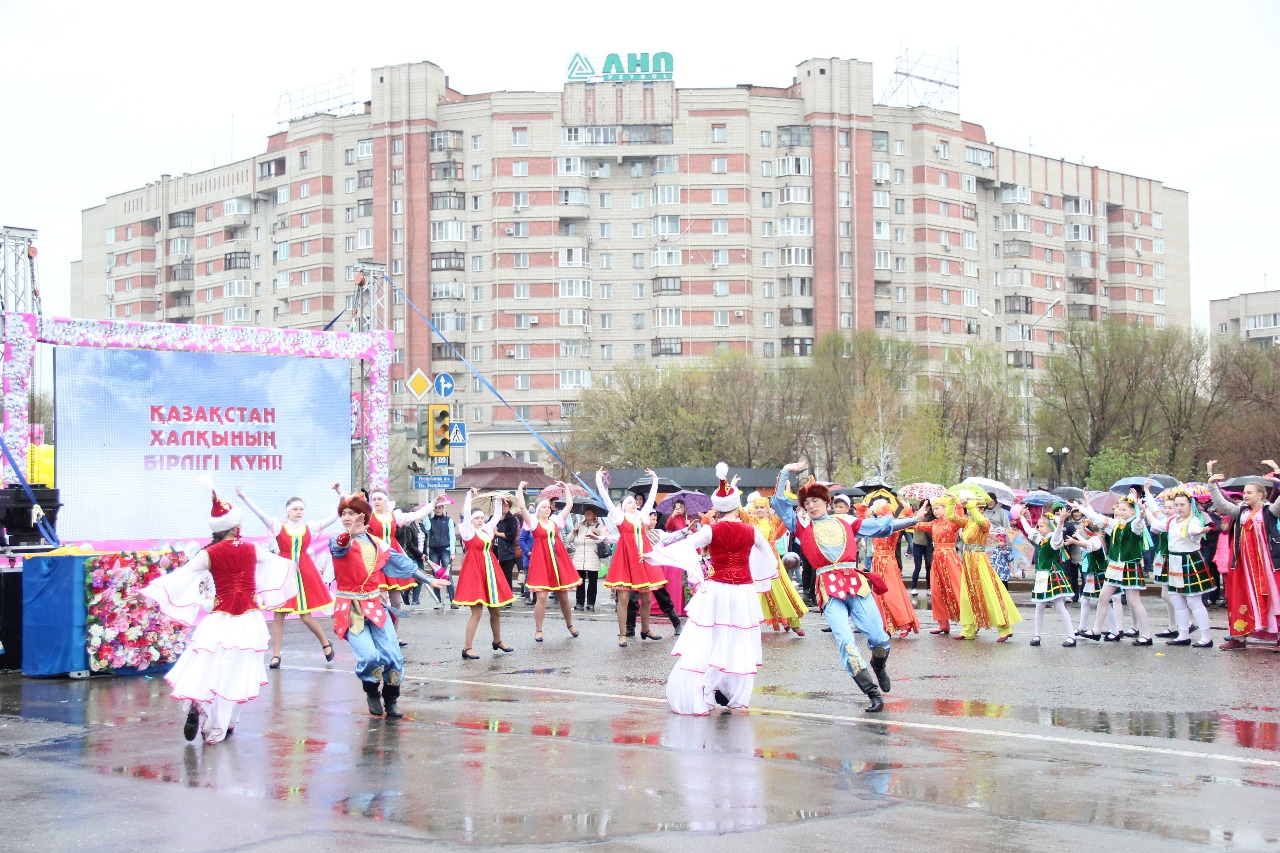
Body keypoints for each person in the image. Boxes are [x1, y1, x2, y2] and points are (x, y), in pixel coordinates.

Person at [139, 478, 297, 744]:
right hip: (248, 619)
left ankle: (202, 707)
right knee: (237, 671)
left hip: (220, 618)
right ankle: (220, 726)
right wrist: (295, 567)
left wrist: (148, 591)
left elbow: (180, 575)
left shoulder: (209, 553)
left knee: (210, 666)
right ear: (235, 526)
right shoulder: (251, 548)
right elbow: (278, 564)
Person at [771, 462, 926, 713]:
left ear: (825, 501)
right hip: (828, 588)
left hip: (855, 583)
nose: (810, 506)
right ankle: (872, 693)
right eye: (806, 503)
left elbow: (880, 527)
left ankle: (879, 665)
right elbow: (777, 502)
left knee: (878, 637)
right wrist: (787, 470)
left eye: (815, 501)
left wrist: (913, 520)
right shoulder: (801, 526)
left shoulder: (846, 522)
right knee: (845, 641)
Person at [645, 464, 779, 715]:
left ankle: (708, 686)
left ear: (716, 508)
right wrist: (758, 577)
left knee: (712, 635)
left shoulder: (711, 530)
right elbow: (769, 557)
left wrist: (656, 556)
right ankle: (729, 690)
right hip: (743, 590)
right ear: (737, 506)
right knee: (737, 638)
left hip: (717, 588)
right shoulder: (750, 530)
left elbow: (687, 545)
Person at [329, 491, 446, 718]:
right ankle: (372, 691)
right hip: (349, 609)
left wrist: (429, 579)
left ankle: (391, 700)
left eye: (351, 513)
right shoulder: (338, 539)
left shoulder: (378, 544)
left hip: (374, 605)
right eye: (343, 513)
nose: (346, 517)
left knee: (394, 658)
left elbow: (404, 564)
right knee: (369, 657)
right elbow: (339, 546)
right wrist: (348, 533)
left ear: (363, 516)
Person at [236, 484, 339, 669]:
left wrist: (340, 494)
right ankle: (276, 655)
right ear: (288, 511)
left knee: (305, 615)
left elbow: (334, 516)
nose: (299, 512)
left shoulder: (309, 527)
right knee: (279, 614)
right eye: (295, 509)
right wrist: (244, 497)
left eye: (301, 509)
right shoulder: (278, 526)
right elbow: (260, 515)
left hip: (303, 571)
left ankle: (325, 643)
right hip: (283, 571)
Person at [1207, 459, 1280, 650]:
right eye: (1245, 492)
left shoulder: (1270, 511)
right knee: (1241, 598)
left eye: (1249, 492)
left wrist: (1277, 473)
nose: (1245, 495)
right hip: (1244, 566)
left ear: (1261, 495)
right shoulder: (1240, 511)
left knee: (1275, 598)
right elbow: (1221, 503)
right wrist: (1211, 482)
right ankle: (1238, 638)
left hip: (1267, 565)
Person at [596, 468, 668, 647]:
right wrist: (598, 480)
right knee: (623, 598)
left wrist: (655, 480)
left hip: (642, 559)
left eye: (634, 501)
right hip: (625, 560)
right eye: (629, 502)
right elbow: (606, 499)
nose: (633, 503)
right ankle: (622, 634)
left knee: (647, 598)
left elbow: (651, 498)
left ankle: (645, 629)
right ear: (623, 506)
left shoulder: (642, 517)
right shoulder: (619, 518)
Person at [1074, 489, 1154, 645]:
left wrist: (1142, 514)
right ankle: (1097, 630)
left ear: (1132, 511)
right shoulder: (1117, 524)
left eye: (1124, 510)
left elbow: (1138, 525)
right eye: (1119, 510)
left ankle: (1146, 634)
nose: (1121, 513)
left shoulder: (1133, 524)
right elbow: (1096, 517)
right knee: (1103, 597)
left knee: (1134, 601)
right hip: (1115, 566)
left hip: (1129, 565)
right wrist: (1082, 506)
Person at [1143, 487, 1215, 647]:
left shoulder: (1193, 520)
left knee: (1194, 601)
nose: (1179, 508)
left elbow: (1193, 531)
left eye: (1182, 504)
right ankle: (1183, 635)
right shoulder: (1172, 520)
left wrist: (1200, 531)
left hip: (1188, 560)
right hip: (1174, 561)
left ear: (1191, 505)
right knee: (1177, 601)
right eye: (1177, 505)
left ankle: (1206, 637)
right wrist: (1145, 509)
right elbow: (1156, 524)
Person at [513, 481, 582, 642]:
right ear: (538, 510)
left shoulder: (556, 521)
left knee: (563, 596)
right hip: (541, 561)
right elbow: (522, 508)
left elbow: (569, 505)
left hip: (557, 561)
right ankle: (538, 630)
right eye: (544, 507)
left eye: (548, 507)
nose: (547, 508)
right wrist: (520, 490)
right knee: (542, 597)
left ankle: (570, 624)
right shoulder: (533, 522)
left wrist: (565, 489)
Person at [948, 498, 1022, 642]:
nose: (972, 511)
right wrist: (951, 502)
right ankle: (968, 629)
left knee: (989, 592)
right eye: (973, 508)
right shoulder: (968, 522)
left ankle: (1004, 628)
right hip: (968, 560)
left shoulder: (985, 523)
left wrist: (972, 506)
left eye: (977, 508)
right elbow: (951, 516)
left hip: (979, 560)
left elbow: (981, 521)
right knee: (967, 595)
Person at [455, 488, 515, 659]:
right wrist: (469, 497)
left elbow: (496, 516)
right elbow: (466, 513)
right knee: (477, 612)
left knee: (495, 610)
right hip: (475, 572)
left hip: (490, 570)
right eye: (477, 518)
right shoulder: (468, 532)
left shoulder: (487, 530)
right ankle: (467, 648)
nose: (480, 520)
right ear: (470, 521)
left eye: (481, 517)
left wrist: (498, 500)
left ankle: (497, 640)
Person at [366, 491, 436, 634]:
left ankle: (395, 634)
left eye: (379, 498)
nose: (377, 501)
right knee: (382, 601)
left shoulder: (394, 516)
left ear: (385, 500)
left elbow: (417, 515)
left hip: (392, 558)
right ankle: (382, 634)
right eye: (374, 499)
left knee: (396, 602)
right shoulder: (368, 517)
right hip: (376, 557)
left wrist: (433, 503)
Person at [1015, 504, 1077, 647]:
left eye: (1041, 526)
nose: (1038, 528)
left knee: (1060, 606)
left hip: (1052, 573)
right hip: (1042, 574)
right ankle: (1037, 635)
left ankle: (1071, 636)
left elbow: (1057, 535)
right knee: (1039, 605)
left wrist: (1060, 522)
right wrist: (1022, 518)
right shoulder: (1041, 539)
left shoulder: (1054, 540)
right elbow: (1029, 531)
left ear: (1050, 528)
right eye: (1038, 525)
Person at [746, 495, 808, 636]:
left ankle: (793, 622)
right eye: (757, 507)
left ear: (768, 509)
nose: (759, 510)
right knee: (756, 592)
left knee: (782, 590)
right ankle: (749, 625)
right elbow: (737, 511)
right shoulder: (750, 521)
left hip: (772, 560)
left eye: (762, 507)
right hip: (755, 561)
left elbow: (785, 515)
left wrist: (784, 492)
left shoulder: (773, 521)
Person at [626, 509, 685, 637]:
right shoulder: (636, 534)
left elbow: (674, 536)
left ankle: (676, 623)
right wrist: (601, 538)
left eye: (655, 517)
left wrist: (687, 529)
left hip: (653, 569)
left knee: (663, 596)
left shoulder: (658, 533)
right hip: (638, 570)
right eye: (652, 517)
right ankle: (630, 628)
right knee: (633, 598)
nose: (655, 520)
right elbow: (617, 538)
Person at [912, 495, 964, 635]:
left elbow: (961, 519)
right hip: (937, 559)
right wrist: (921, 509)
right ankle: (943, 623)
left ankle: (969, 623)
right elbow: (916, 523)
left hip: (950, 558)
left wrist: (957, 504)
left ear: (946, 508)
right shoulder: (934, 523)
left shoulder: (952, 522)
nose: (934, 511)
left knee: (957, 588)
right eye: (933, 508)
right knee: (936, 591)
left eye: (937, 508)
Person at [867, 501, 920, 639]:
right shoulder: (875, 526)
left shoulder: (892, 527)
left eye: (881, 515)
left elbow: (907, 518)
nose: (878, 518)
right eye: (877, 515)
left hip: (888, 562)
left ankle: (904, 623)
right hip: (877, 562)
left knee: (892, 593)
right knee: (878, 594)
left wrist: (907, 508)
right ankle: (885, 625)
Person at [571, 506, 608, 612]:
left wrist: (599, 533)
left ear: (594, 515)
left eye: (589, 513)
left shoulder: (599, 526)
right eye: (586, 513)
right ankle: (579, 602)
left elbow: (605, 539)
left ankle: (591, 603)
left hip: (592, 557)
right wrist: (574, 531)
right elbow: (570, 540)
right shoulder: (579, 526)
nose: (587, 515)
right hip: (579, 557)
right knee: (580, 582)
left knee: (592, 582)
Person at [425, 497, 458, 609]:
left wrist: (452, 552)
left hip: (445, 550)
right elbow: (427, 529)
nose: (438, 510)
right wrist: (426, 515)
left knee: (447, 575)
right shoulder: (430, 521)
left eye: (439, 508)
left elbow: (452, 537)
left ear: (443, 508)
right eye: (436, 508)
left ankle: (453, 600)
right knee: (436, 576)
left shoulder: (448, 520)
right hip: (434, 550)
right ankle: (438, 601)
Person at [491, 495, 521, 590]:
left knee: (507, 576)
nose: (504, 507)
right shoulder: (493, 518)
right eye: (502, 505)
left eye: (506, 506)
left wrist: (497, 533)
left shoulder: (512, 519)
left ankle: (508, 599)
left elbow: (511, 536)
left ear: (509, 507)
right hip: (495, 550)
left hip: (507, 552)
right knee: (495, 576)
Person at [395, 518, 426, 606]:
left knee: (421, 578)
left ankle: (415, 600)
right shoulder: (409, 527)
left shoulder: (422, 527)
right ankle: (406, 593)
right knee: (414, 576)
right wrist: (420, 554)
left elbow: (424, 541)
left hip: (420, 556)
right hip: (412, 555)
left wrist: (424, 553)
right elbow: (409, 543)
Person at [909, 511, 933, 595]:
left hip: (928, 545)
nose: (926, 509)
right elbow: (913, 523)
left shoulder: (932, 516)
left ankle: (929, 588)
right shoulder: (917, 514)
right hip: (917, 544)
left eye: (928, 506)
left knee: (928, 567)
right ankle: (914, 587)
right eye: (924, 506)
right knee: (917, 566)